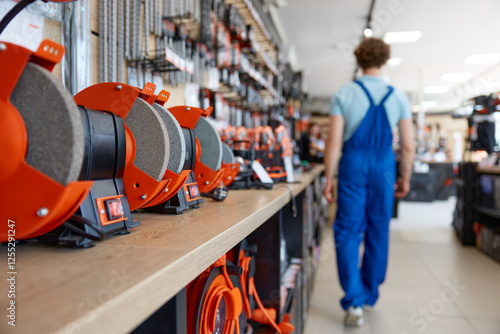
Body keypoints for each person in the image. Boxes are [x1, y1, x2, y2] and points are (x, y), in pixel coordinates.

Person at [323, 37, 415, 327]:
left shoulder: (344, 94)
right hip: (383, 168)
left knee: (348, 231)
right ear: (384, 61)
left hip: (352, 164)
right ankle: (370, 293)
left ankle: (354, 301)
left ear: (359, 60)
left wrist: (329, 177)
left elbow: (334, 140)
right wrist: (405, 176)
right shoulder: (398, 97)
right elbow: (409, 145)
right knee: (378, 229)